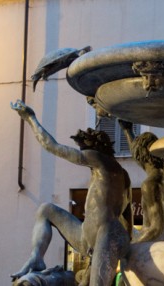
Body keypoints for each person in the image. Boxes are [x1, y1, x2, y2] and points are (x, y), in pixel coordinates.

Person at [10, 100, 132, 286]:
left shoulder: (98, 159)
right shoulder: (120, 174)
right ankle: (37, 257)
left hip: (104, 236)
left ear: (95, 148)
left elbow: (52, 146)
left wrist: (30, 118)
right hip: (87, 235)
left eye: (83, 149)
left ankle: (37, 258)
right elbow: (127, 212)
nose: (82, 154)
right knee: (46, 210)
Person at [119, 120, 164, 242]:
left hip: (151, 247)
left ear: (141, 156)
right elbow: (138, 152)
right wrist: (127, 131)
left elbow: (156, 228)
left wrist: (133, 246)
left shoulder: (150, 184)